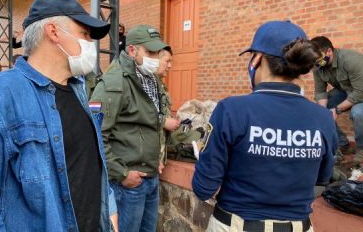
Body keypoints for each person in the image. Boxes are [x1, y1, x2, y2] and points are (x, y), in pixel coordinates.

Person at [0, 0, 118, 231]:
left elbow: (87, 166)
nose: (91, 43)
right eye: (85, 34)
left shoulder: (79, 91)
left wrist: (110, 213)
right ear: (54, 32)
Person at [192, 21, 337, 232]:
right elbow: (322, 179)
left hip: (236, 225)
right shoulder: (323, 117)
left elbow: (203, 188)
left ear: (257, 58)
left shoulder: (231, 109)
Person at [90, 24, 169, 232]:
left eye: (157, 52)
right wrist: (123, 174)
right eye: (150, 52)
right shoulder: (113, 82)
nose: (156, 57)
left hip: (149, 178)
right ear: (132, 51)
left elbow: (151, 123)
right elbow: (95, 134)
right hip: (128, 183)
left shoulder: (150, 79)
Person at [311, 36, 363, 163]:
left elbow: (359, 92)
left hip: (360, 91)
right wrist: (323, 112)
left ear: (329, 51)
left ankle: (361, 149)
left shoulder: (352, 60)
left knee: (358, 113)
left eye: (319, 58)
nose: (317, 62)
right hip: (344, 91)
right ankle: (342, 144)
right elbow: (320, 91)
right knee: (317, 110)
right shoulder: (317, 66)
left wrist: (337, 109)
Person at [156, 48, 180, 171]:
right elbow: (139, 117)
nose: (170, 66)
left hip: (156, 160)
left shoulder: (160, 85)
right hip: (147, 163)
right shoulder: (144, 84)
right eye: (167, 61)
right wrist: (164, 122)